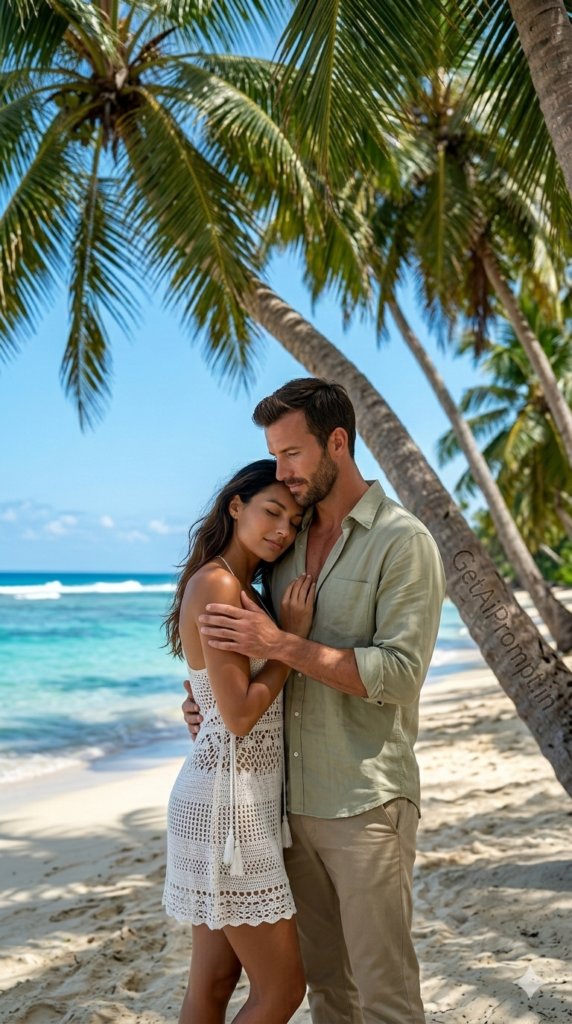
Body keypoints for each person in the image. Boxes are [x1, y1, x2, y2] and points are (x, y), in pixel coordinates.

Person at [184, 378, 447, 1024]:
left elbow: (400, 674)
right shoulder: (285, 546)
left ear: (337, 443)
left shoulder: (402, 541)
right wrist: (205, 709)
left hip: (364, 803)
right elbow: (236, 660)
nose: (282, 472)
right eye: (274, 457)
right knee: (330, 992)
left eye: (292, 453)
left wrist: (284, 644)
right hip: (284, 809)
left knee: (385, 995)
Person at [163, 459, 317, 1024]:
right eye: (272, 511)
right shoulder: (220, 584)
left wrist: (203, 704)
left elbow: (213, 698)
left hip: (229, 798)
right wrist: (289, 641)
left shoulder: (241, 586)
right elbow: (240, 716)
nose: (283, 530)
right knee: (282, 991)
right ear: (236, 506)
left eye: (294, 522)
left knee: (214, 983)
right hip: (228, 811)